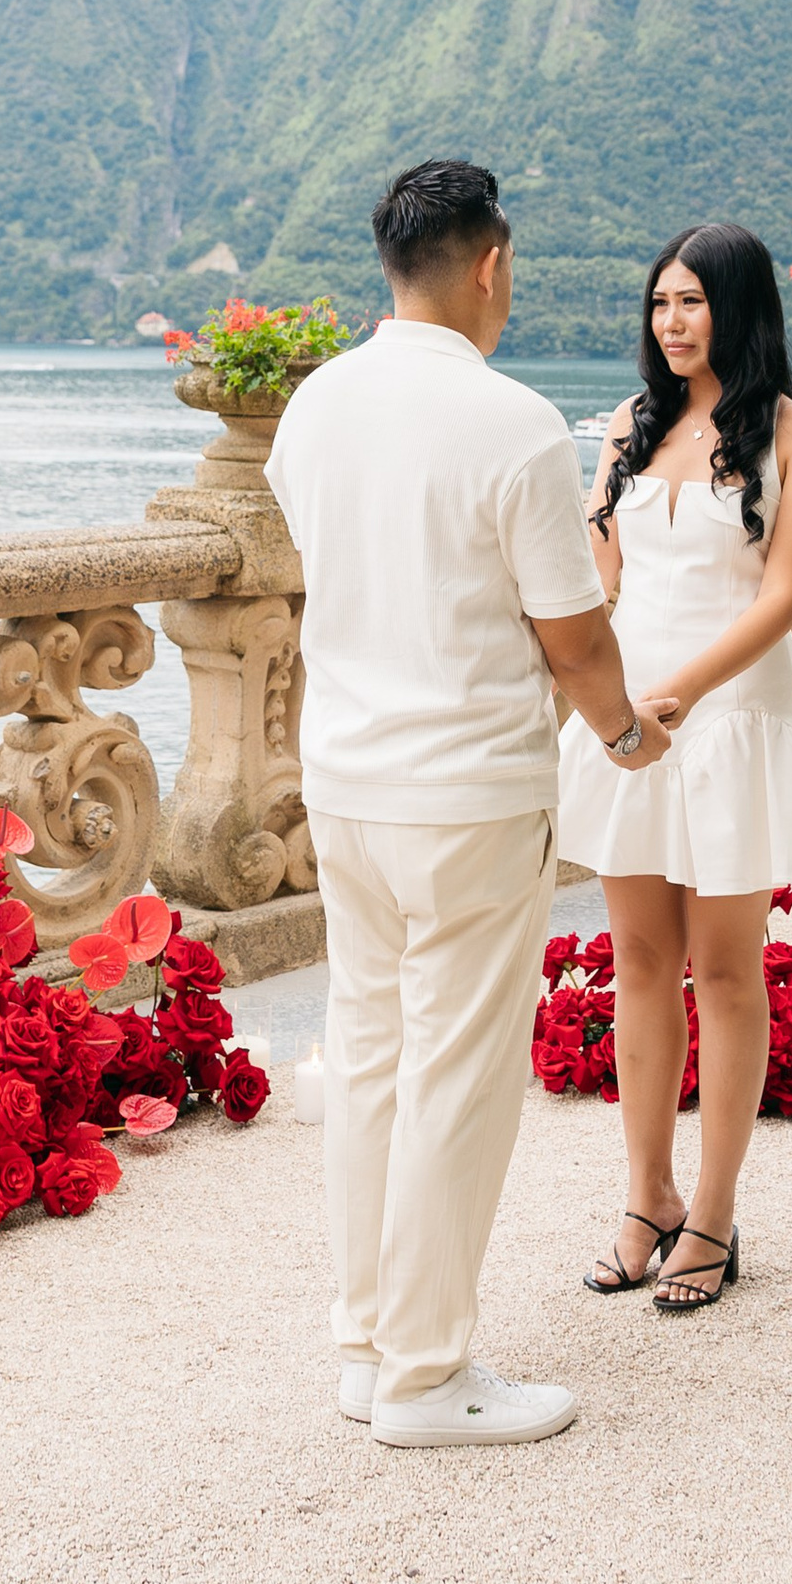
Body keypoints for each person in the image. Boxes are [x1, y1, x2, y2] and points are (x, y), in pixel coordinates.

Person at [264, 158, 669, 1448]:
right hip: (468, 791)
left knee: (373, 1057)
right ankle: (428, 1374)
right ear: (489, 264)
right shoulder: (510, 422)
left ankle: (367, 1342)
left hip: (346, 783)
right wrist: (622, 730)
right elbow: (571, 631)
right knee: (458, 1072)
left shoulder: (311, 408)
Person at [555, 222, 792, 1314]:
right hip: (628, 718)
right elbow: (602, 572)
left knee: (725, 970)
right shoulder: (628, 427)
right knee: (635, 954)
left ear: (739, 305)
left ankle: (715, 1214)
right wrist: (605, 689)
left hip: (728, 723)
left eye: (691, 302)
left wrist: (678, 689)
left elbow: (780, 599)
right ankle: (647, 1197)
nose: (670, 322)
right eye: (658, 303)